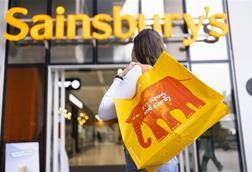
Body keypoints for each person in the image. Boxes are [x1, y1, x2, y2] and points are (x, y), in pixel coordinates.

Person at [98, 29, 178, 172]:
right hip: (169, 156)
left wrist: (120, 76)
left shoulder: (138, 72)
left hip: (146, 157)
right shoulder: (165, 73)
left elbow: (104, 111)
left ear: (138, 49)